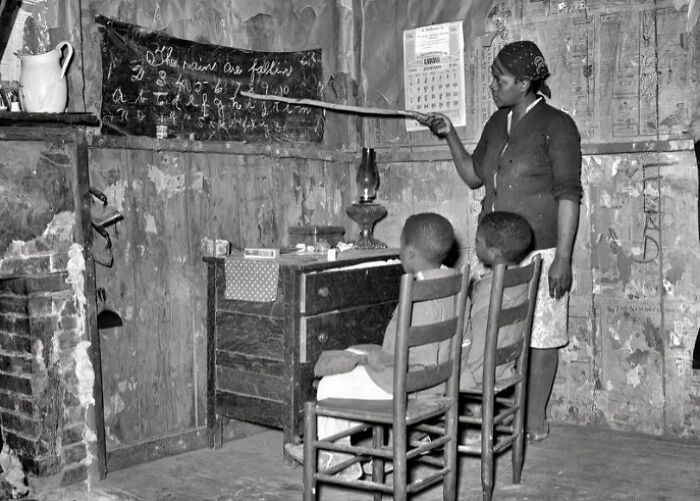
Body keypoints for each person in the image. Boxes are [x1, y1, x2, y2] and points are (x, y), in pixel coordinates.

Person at [418, 40, 583, 442]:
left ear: (525, 83)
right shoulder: (497, 123)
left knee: (541, 338)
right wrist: (449, 134)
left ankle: (534, 422)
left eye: (499, 79)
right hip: (491, 254)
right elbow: (475, 176)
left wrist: (562, 257)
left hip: (539, 253)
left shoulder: (557, 126)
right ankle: (486, 418)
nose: (492, 85)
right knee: (486, 335)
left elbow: (568, 195)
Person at [285, 212, 458, 479]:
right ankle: (387, 445)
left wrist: (369, 360)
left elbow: (397, 357)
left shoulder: (415, 291)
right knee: (357, 356)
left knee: (332, 385)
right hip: (438, 381)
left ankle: (335, 457)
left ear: (410, 253)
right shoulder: (455, 282)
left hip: (406, 385)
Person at [460, 211, 534, 392]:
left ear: (493, 253)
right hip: (504, 369)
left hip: (479, 372)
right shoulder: (519, 281)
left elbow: (477, 342)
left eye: (477, 241)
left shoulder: (492, 288)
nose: (474, 244)